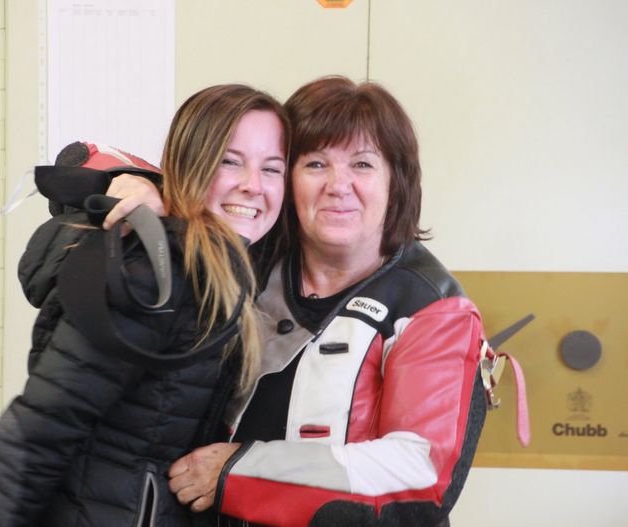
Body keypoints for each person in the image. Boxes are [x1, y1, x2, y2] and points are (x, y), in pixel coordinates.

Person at [107, 76, 495, 527]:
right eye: (315, 164)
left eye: (363, 165)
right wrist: (144, 191)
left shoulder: (433, 308)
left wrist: (240, 472)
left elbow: (419, 477)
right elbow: (188, 187)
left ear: (398, 182)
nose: (338, 185)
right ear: (287, 177)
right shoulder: (248, 255)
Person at [0, 83, 289, 527]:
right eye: (230, 161)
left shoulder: (228, 270)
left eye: (272, 169)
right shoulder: (156, 275)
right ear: (190, 166)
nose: (253, 186)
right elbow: (35, 434)